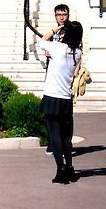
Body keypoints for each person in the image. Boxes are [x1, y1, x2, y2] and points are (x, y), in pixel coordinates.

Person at [39, 19, 83, 184]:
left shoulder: (58, 48)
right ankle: (69, 166)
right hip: (65, 98)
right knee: (66, 136)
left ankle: (60, 169)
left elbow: (41, 40)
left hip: (52, 96)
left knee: (55, 135)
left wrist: (55, 29)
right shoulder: (77, 53)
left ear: (66, 33)